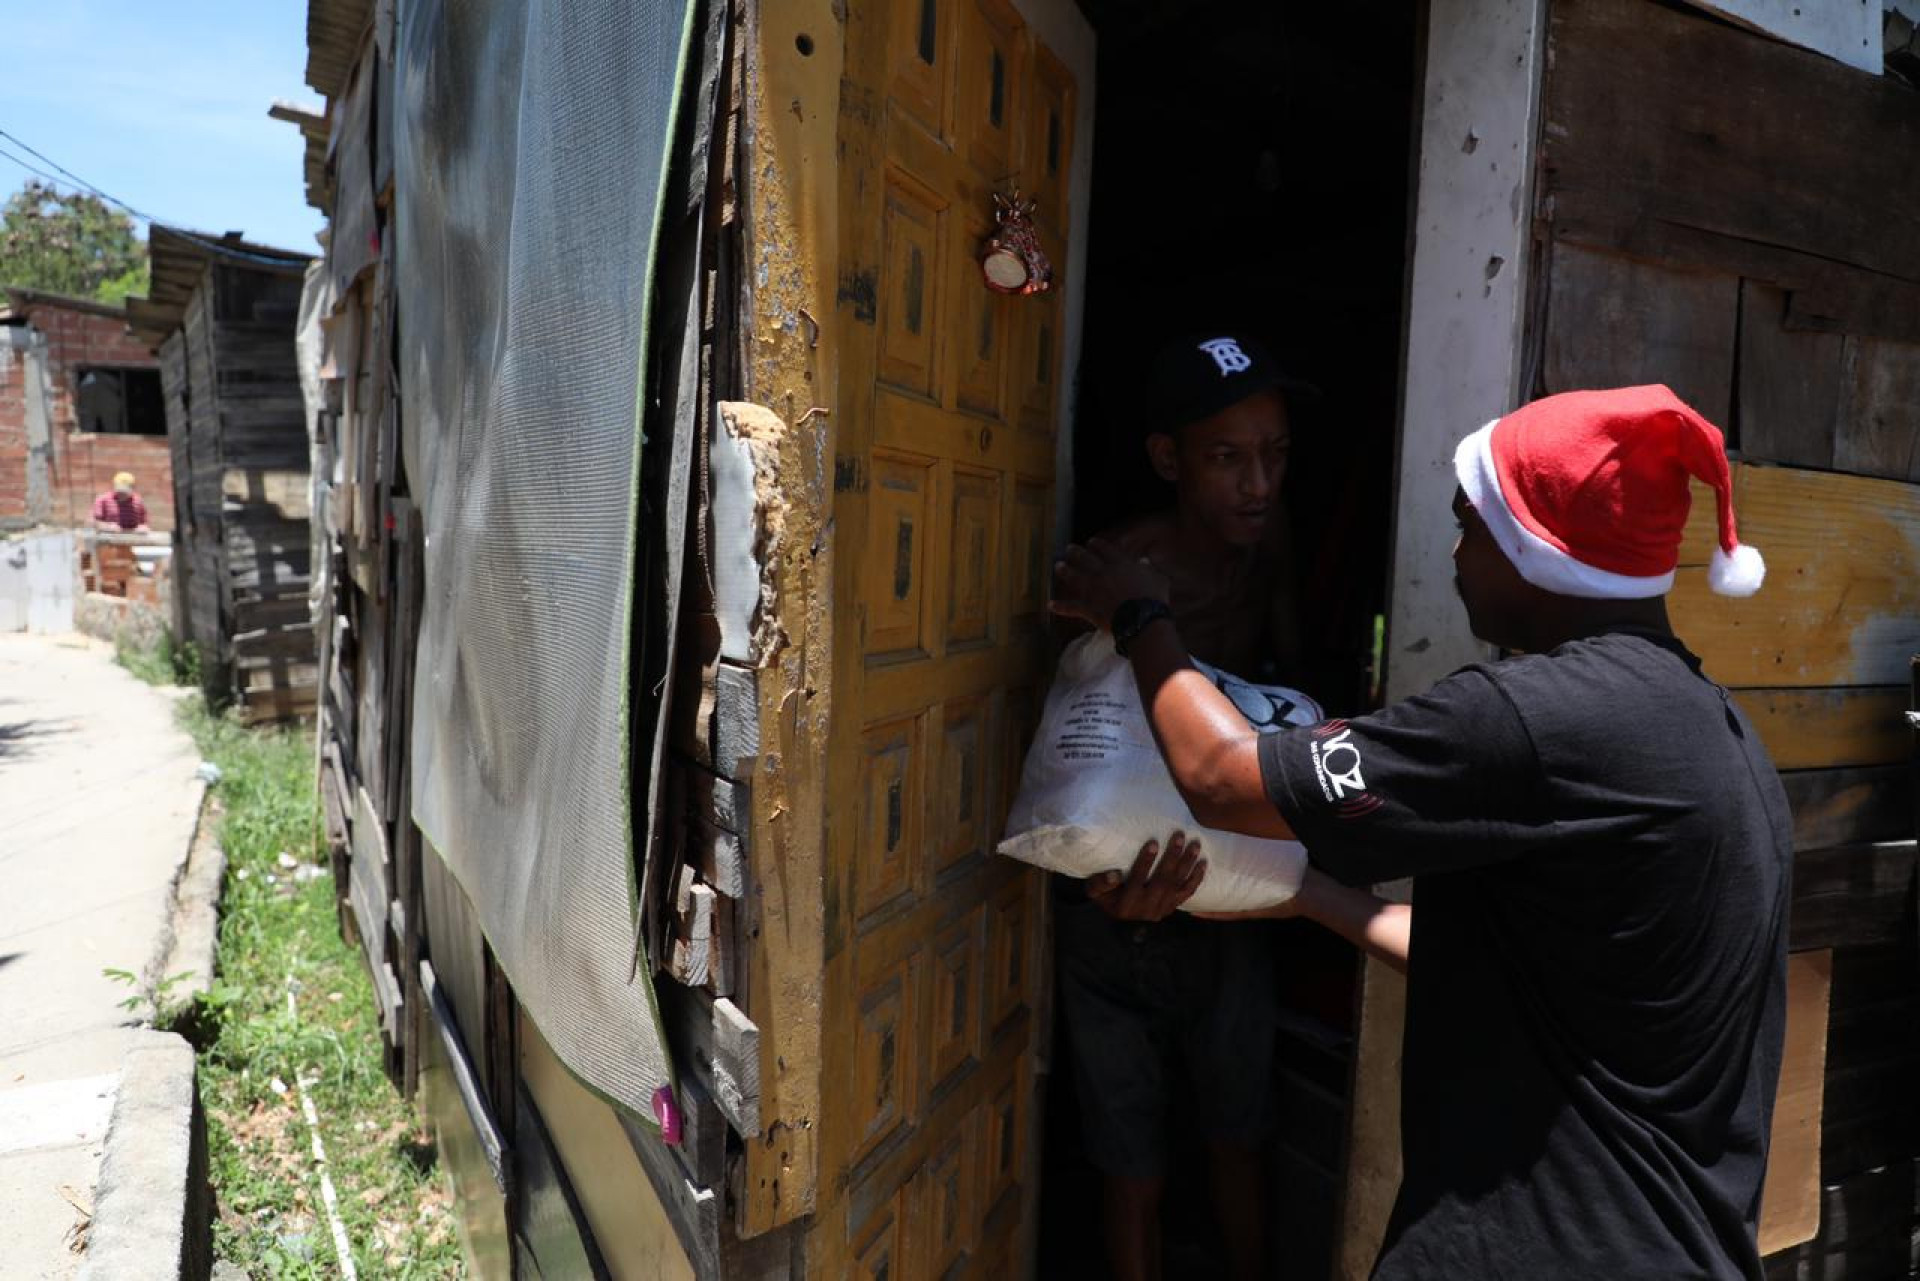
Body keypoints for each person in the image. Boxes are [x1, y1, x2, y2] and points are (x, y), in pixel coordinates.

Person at [1054, 384, 1793, 1280]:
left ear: (1534, 546)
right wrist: (1300, 894)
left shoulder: (1533, 719)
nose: (1453, 552)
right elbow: (1510, 969)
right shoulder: (1715, 731)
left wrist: (1140, 616)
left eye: (1469, 524)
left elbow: (1220, 777)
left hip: (1535, 1254)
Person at [1053, 333, 1307, 1281]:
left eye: (1275, 453)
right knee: (1132, 1163)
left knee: (1240, 1133)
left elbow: (1291, 690)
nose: (1259, 483)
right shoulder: (1116, 573)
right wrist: (1097, 882)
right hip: (1118, 900)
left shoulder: (1268, 548)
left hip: (1235, 890)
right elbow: (1068, 748)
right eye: (1227, 457)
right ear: (1169, 459)